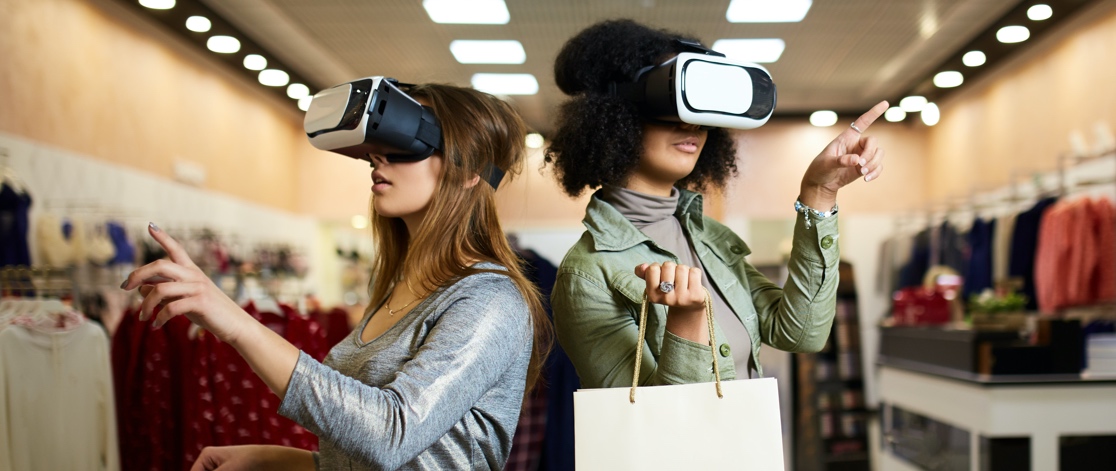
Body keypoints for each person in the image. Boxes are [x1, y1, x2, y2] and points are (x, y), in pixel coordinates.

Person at [120, 83, 551, 470]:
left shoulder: (490, 300)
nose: (378, 158)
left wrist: (235, 324)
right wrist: (275, 460)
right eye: (378, 146)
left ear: (469, 169)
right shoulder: (400, 289)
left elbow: (392, 434)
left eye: (406, 143)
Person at [545, 19, 887, 388]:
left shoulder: (708, 238)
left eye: (701, 112)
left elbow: (801, 333)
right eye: (671, 103)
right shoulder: (587, 274)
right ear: (615, 116)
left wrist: (819, 194)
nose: (692, 125)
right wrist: (688, 323)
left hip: (754, 446)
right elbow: (653, 422)